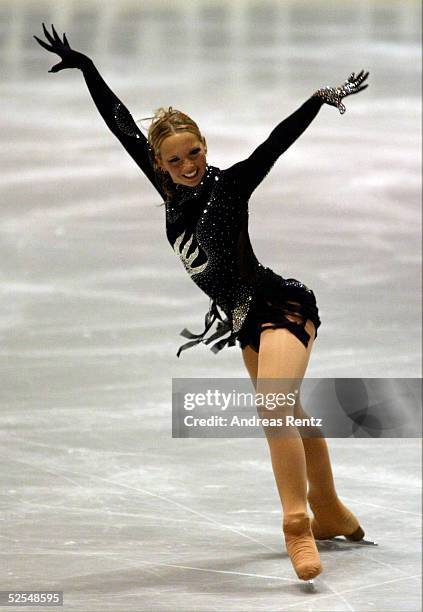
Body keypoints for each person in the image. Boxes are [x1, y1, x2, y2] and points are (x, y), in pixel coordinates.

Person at [34, 24, 370, 583]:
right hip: (242, 322)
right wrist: (88, 65)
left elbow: (274, 143)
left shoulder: (232, 186)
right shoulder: (168, 190)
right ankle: (331, 507)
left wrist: (315, 100)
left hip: (279, 304)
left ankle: (299, 523)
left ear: (205, 148)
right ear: (160, 164)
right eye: (174, 159)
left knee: (275, 404)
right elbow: (121, 124)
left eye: (193, 152)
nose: (187, 164)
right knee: (289, 412)